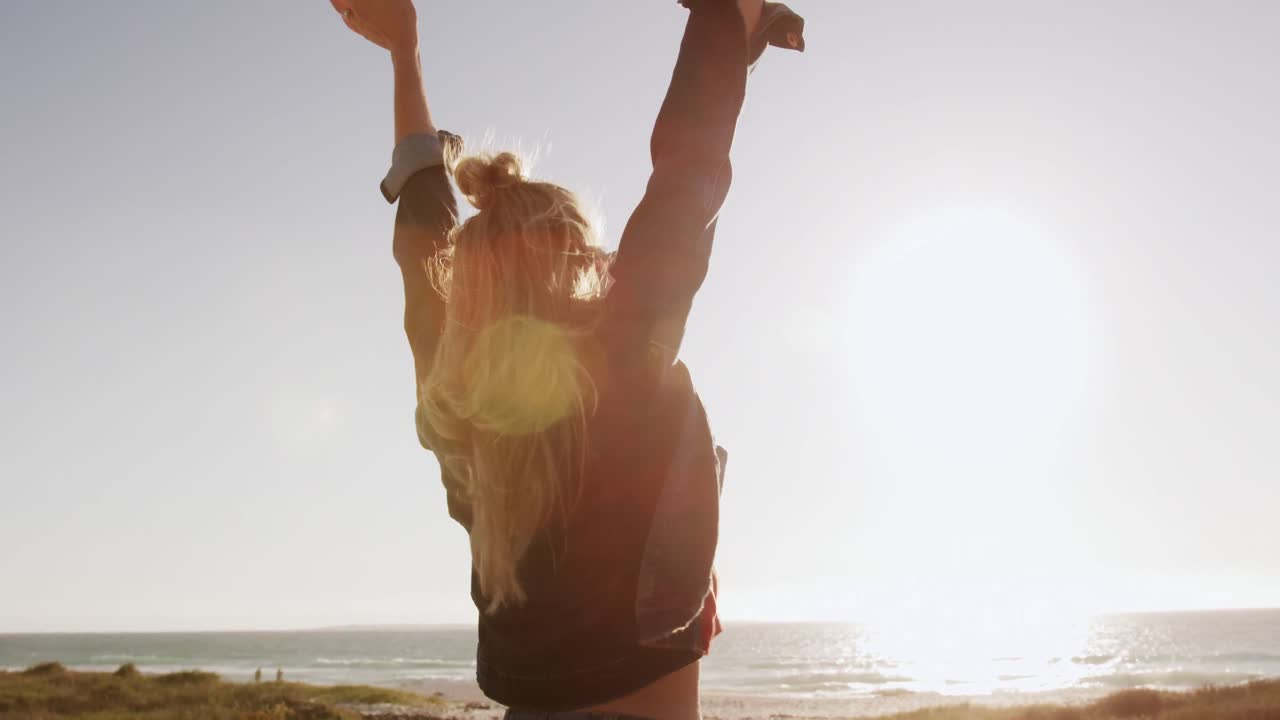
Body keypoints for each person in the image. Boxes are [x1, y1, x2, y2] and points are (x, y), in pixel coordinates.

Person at [331, 1, 803, 718]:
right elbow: (688, 170)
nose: (606, 263)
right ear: (575, 263)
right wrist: (727, 21)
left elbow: (424, 235)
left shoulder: (456, 408)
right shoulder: (622, 363)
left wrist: (404, 52)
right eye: (590, 253)